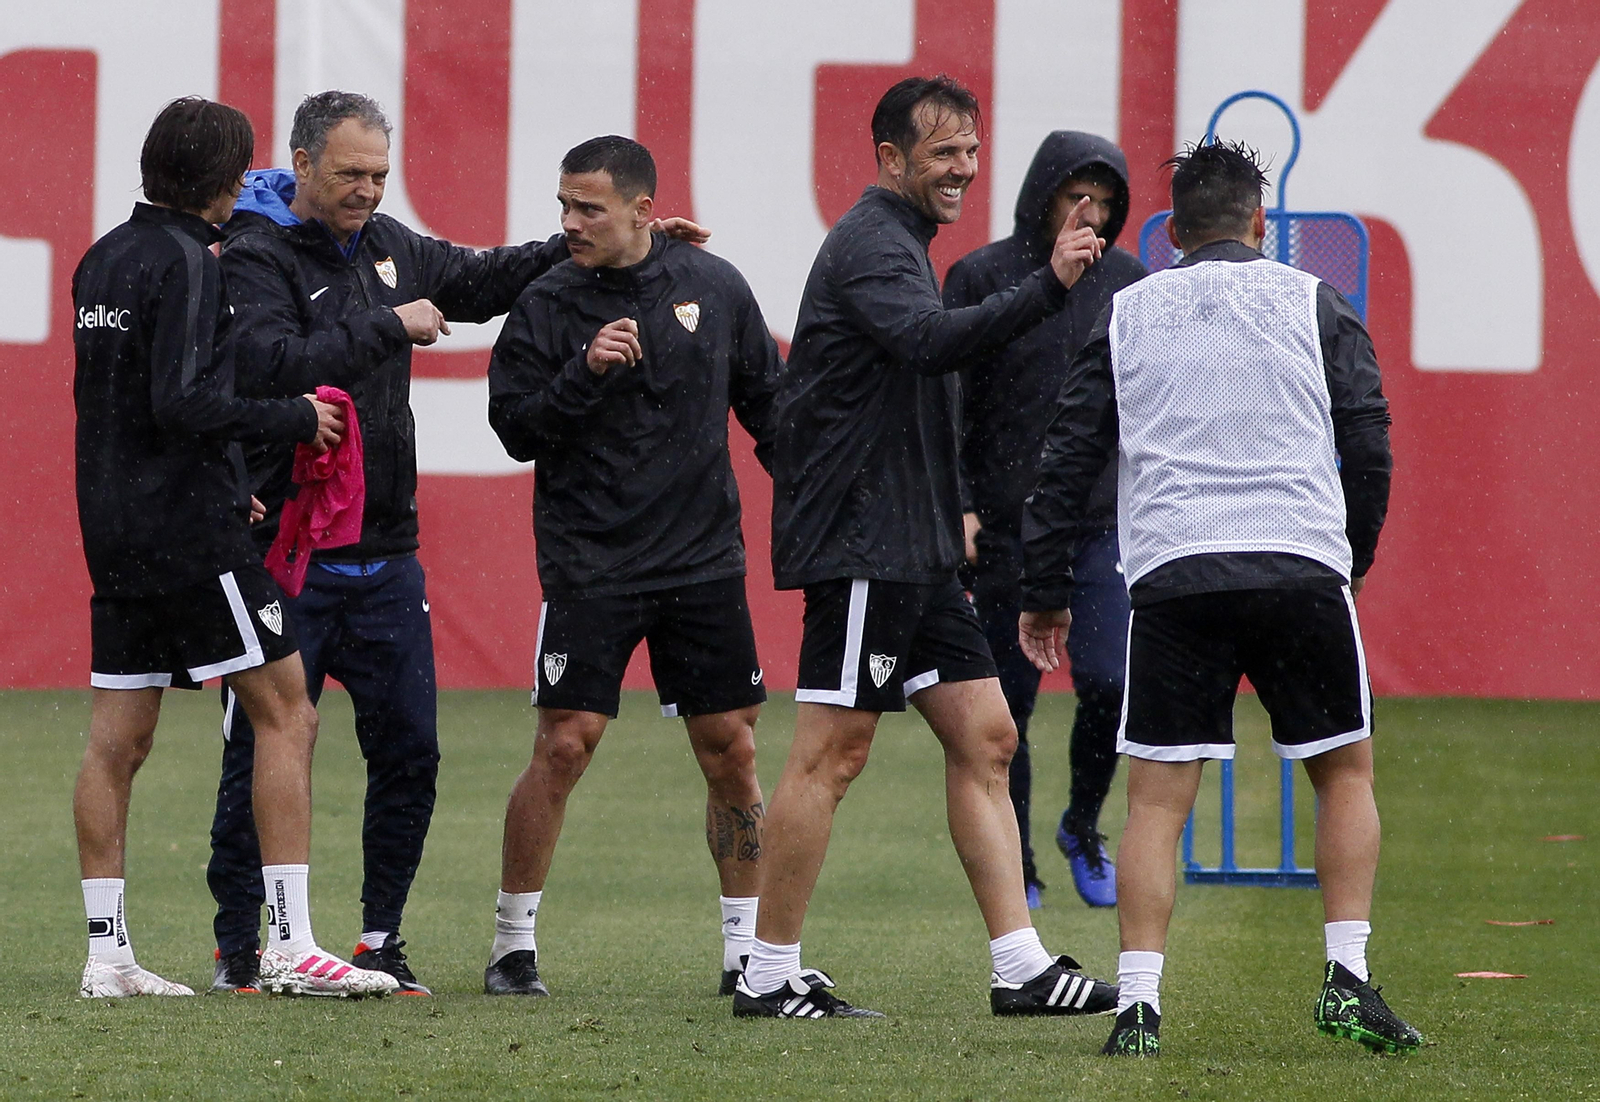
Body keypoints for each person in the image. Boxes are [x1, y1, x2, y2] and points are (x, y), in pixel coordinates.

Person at [207, 91, 709, 996]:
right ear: (303, 163)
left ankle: (379, 939)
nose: (367, 190)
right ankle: (242, 946)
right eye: (350, 174)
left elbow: (484, 280)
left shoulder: (391, 245)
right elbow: (267, 362)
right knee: (266, 748)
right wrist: (387, 325)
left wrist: (609, 241)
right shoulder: (255, 253)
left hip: (387, 553)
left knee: (410, 752)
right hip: (288, 548)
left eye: (379, 175)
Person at [1018, 140, 1421, 1057]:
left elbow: (1069, 454)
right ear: (1258, 223)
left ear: (1172, 234)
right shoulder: (1314, 299)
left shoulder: (1128, 311)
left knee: (1157, 805)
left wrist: (1043, 587)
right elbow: (1369, 438)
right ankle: (1348, 979)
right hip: (1297, 564)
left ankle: (1138, 1006)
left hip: (1176, 573)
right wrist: (1352, 554)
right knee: (1344, 776)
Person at [735, 75, 1116, 1020]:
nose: (964, 169)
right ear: (890, 158)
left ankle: (1020, 968)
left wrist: (951, 516)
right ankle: (768, 973)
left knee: (988, 738)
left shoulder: (902, 241)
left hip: (916, 547)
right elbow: (930, 341)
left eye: (972, 151)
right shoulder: (872, 240)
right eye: (944, 152)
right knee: (831, 753)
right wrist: (1051, 285)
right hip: (869, 544)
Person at [72, 97, 396, 999]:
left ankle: (107, 955)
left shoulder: (105, 257)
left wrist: (222, 467)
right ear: (225, 178)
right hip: (188, 530)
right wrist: (291, 417)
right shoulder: (192, 262)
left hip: (113, 526)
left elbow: (127, 401)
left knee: (117, 740)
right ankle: (290, 944)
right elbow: (182, 398)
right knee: (289, 711)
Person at [483, 135, 780, 998]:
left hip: (702, 561)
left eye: (590, 208)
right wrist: (583, 372)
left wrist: (826, 502)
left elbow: (772, 410)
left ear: (644, 210)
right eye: (564, 206)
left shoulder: (714, 287)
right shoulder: (545, 303)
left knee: (731, 750)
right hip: (592, 561)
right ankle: (511, 946)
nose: (571, 222)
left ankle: (746, 954)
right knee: (564, 744)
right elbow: (513, 429)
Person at [945, 132, 1147, 910]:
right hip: (1003, 527)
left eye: (1105, 201)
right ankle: (1020, 861)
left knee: (1111, 684)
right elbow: (949, 401)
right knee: (1006, 711)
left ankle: (1081, 827)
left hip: (1099, 525)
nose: (1090, 213)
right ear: (1044, 197)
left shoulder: (1130, 283)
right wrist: (962, 502)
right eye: (1075, 196)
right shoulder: (982, 275)